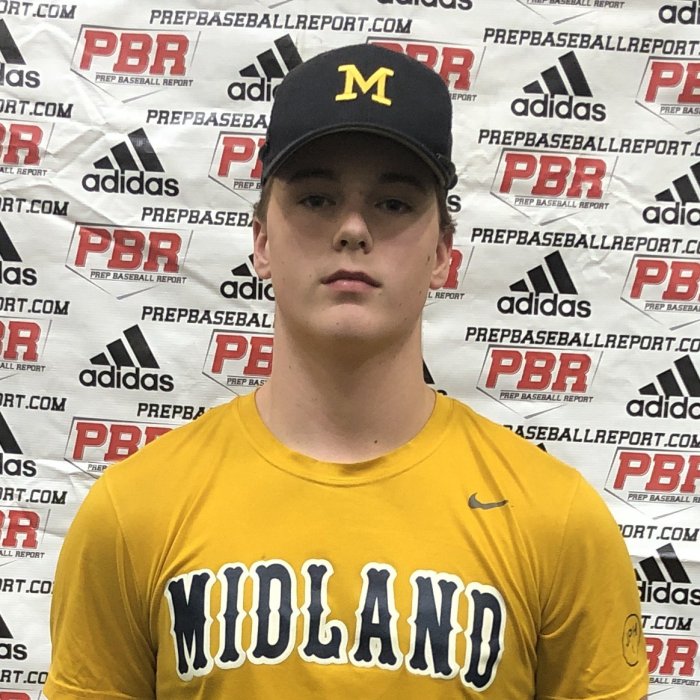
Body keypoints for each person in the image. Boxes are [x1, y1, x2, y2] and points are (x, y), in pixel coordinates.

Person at [44, 43, 649, 699]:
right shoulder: (134, 512)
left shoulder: (556, 521)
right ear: (261, 242)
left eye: (394, 204)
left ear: (443, 253)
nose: (353, 229)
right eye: (316, 199)